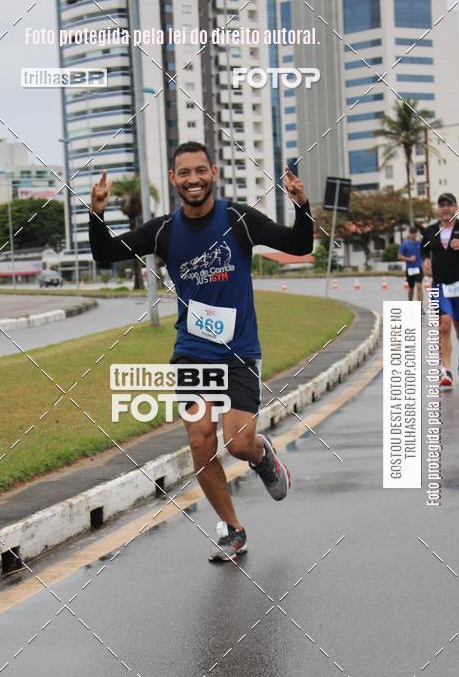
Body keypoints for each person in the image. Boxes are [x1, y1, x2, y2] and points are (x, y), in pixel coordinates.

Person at [89, 141, 313, 562]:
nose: (193, 179)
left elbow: (300, 246)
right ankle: (232, 529)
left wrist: (302, 206)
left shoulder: (238, 220)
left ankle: (262, 455)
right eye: (184, 172)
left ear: (213, 172)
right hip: (192, 351)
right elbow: (105, 254)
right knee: (199, 438)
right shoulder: (163, 231)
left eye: (200, 171)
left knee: (238, 444)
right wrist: (97, 213)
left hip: (239, 351)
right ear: (173, 178)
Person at [421, 192, 459, 386]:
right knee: (444, 325)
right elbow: (423, 248)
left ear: (456, 207)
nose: (445, 208)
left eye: (449, 204)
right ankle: (446, 371)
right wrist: (425, 259)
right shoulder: (430, 230)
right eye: (442, 205)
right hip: (439, 285)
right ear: (437, 209)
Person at [399, 227, 424, 306]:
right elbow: (399, 256)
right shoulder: (405, 244)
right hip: (410, 268)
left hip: (418, 268)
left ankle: (420, 307)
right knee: (411, 288)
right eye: (412, 233)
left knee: (419, 286)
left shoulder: (419, 243)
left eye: (415, 233)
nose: (413, 235)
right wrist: (409, 258)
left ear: (416, 234)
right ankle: (410, 304)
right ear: (409, 234)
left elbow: (425, 253)